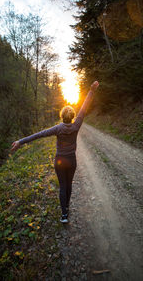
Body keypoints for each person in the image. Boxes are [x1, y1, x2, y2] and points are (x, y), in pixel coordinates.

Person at [11, 81, 99, 223]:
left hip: (59, 160)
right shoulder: (76, 125)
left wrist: (21, 141)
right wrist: (92, 91)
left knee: (62, 186)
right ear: (72, 116)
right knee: (69, 185)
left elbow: (38, 134)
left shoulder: (57, 128)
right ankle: (67, 209)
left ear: (62, 115)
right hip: (71, 160)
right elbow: (84, 107)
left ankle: (64, 214)